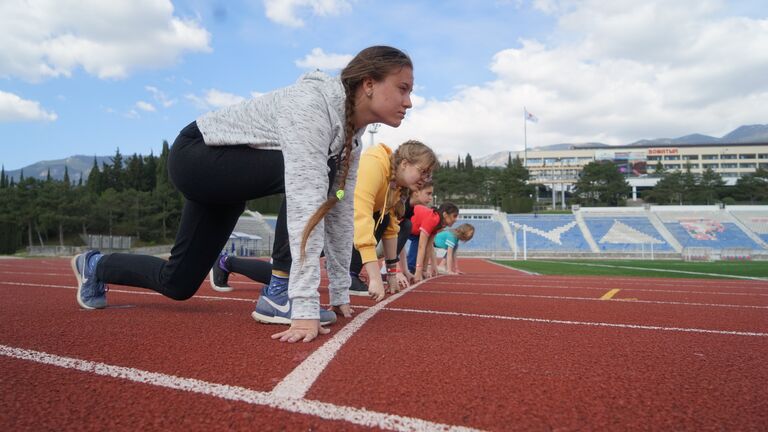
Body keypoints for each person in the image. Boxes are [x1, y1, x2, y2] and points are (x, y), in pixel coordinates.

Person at [71, 45, 414, 343]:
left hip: (228, 176)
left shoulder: (351, 135)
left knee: (178, 283)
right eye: (402, 89)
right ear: (369, 84)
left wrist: (340, 291)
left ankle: (97, 265)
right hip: (197, 154)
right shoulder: (314, 104)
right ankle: (280, 292)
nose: (408, 102)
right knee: (311, 176)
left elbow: (338, 212)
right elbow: (306, 201)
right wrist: (306, 305)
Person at [347, 141, 437, 299]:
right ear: (404, 164)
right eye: (423, 172)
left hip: (346, 218)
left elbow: (390, 229)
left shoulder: (397, 186)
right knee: (303, 251)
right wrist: (375, 277)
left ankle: (348, 274)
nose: (425, 178)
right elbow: (361, 217)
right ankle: (348, 274)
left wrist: (392, 274)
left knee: (385, 220)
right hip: (333, 206)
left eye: (428, 174)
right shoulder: (374, 165)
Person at [405, 203, 459, 282]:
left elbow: (429, 246)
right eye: (454, 216)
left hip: (413, 229)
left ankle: (412, 268)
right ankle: (409, 269)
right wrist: (418, 272)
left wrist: (424, 270)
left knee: (421, 242)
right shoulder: (432, 219)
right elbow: (421, 246)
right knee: (418, 243)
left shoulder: (439, 224)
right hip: (403, 223)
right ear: (445, 214)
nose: (456, 219)